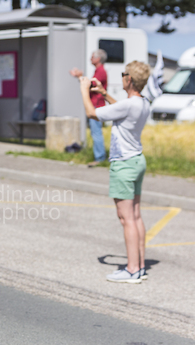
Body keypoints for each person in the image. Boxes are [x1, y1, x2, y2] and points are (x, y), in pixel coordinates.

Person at [79, 61, 151, 284]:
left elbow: (92, 113)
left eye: (123, 74)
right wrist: (104, 93)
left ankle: (131, 270)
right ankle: (139, 267)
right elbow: (122, 108)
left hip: (124, 165)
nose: (121, 77)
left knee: (125, 218)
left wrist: (84, 90)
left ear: (129, 79)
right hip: (137, 160)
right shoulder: (142, 103)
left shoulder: (128, 105)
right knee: (136, 216)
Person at [70, 49, 108, 167]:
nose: (91, 59)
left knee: (96, 132)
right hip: (96, 105)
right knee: (95, 132)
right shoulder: (99, 71)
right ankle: (99, 156)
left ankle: (100, 158)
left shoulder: (100, 72)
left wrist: (80, 76)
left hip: (97, 106)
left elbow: (90, 86)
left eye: (92, 57)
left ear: (98, 59)